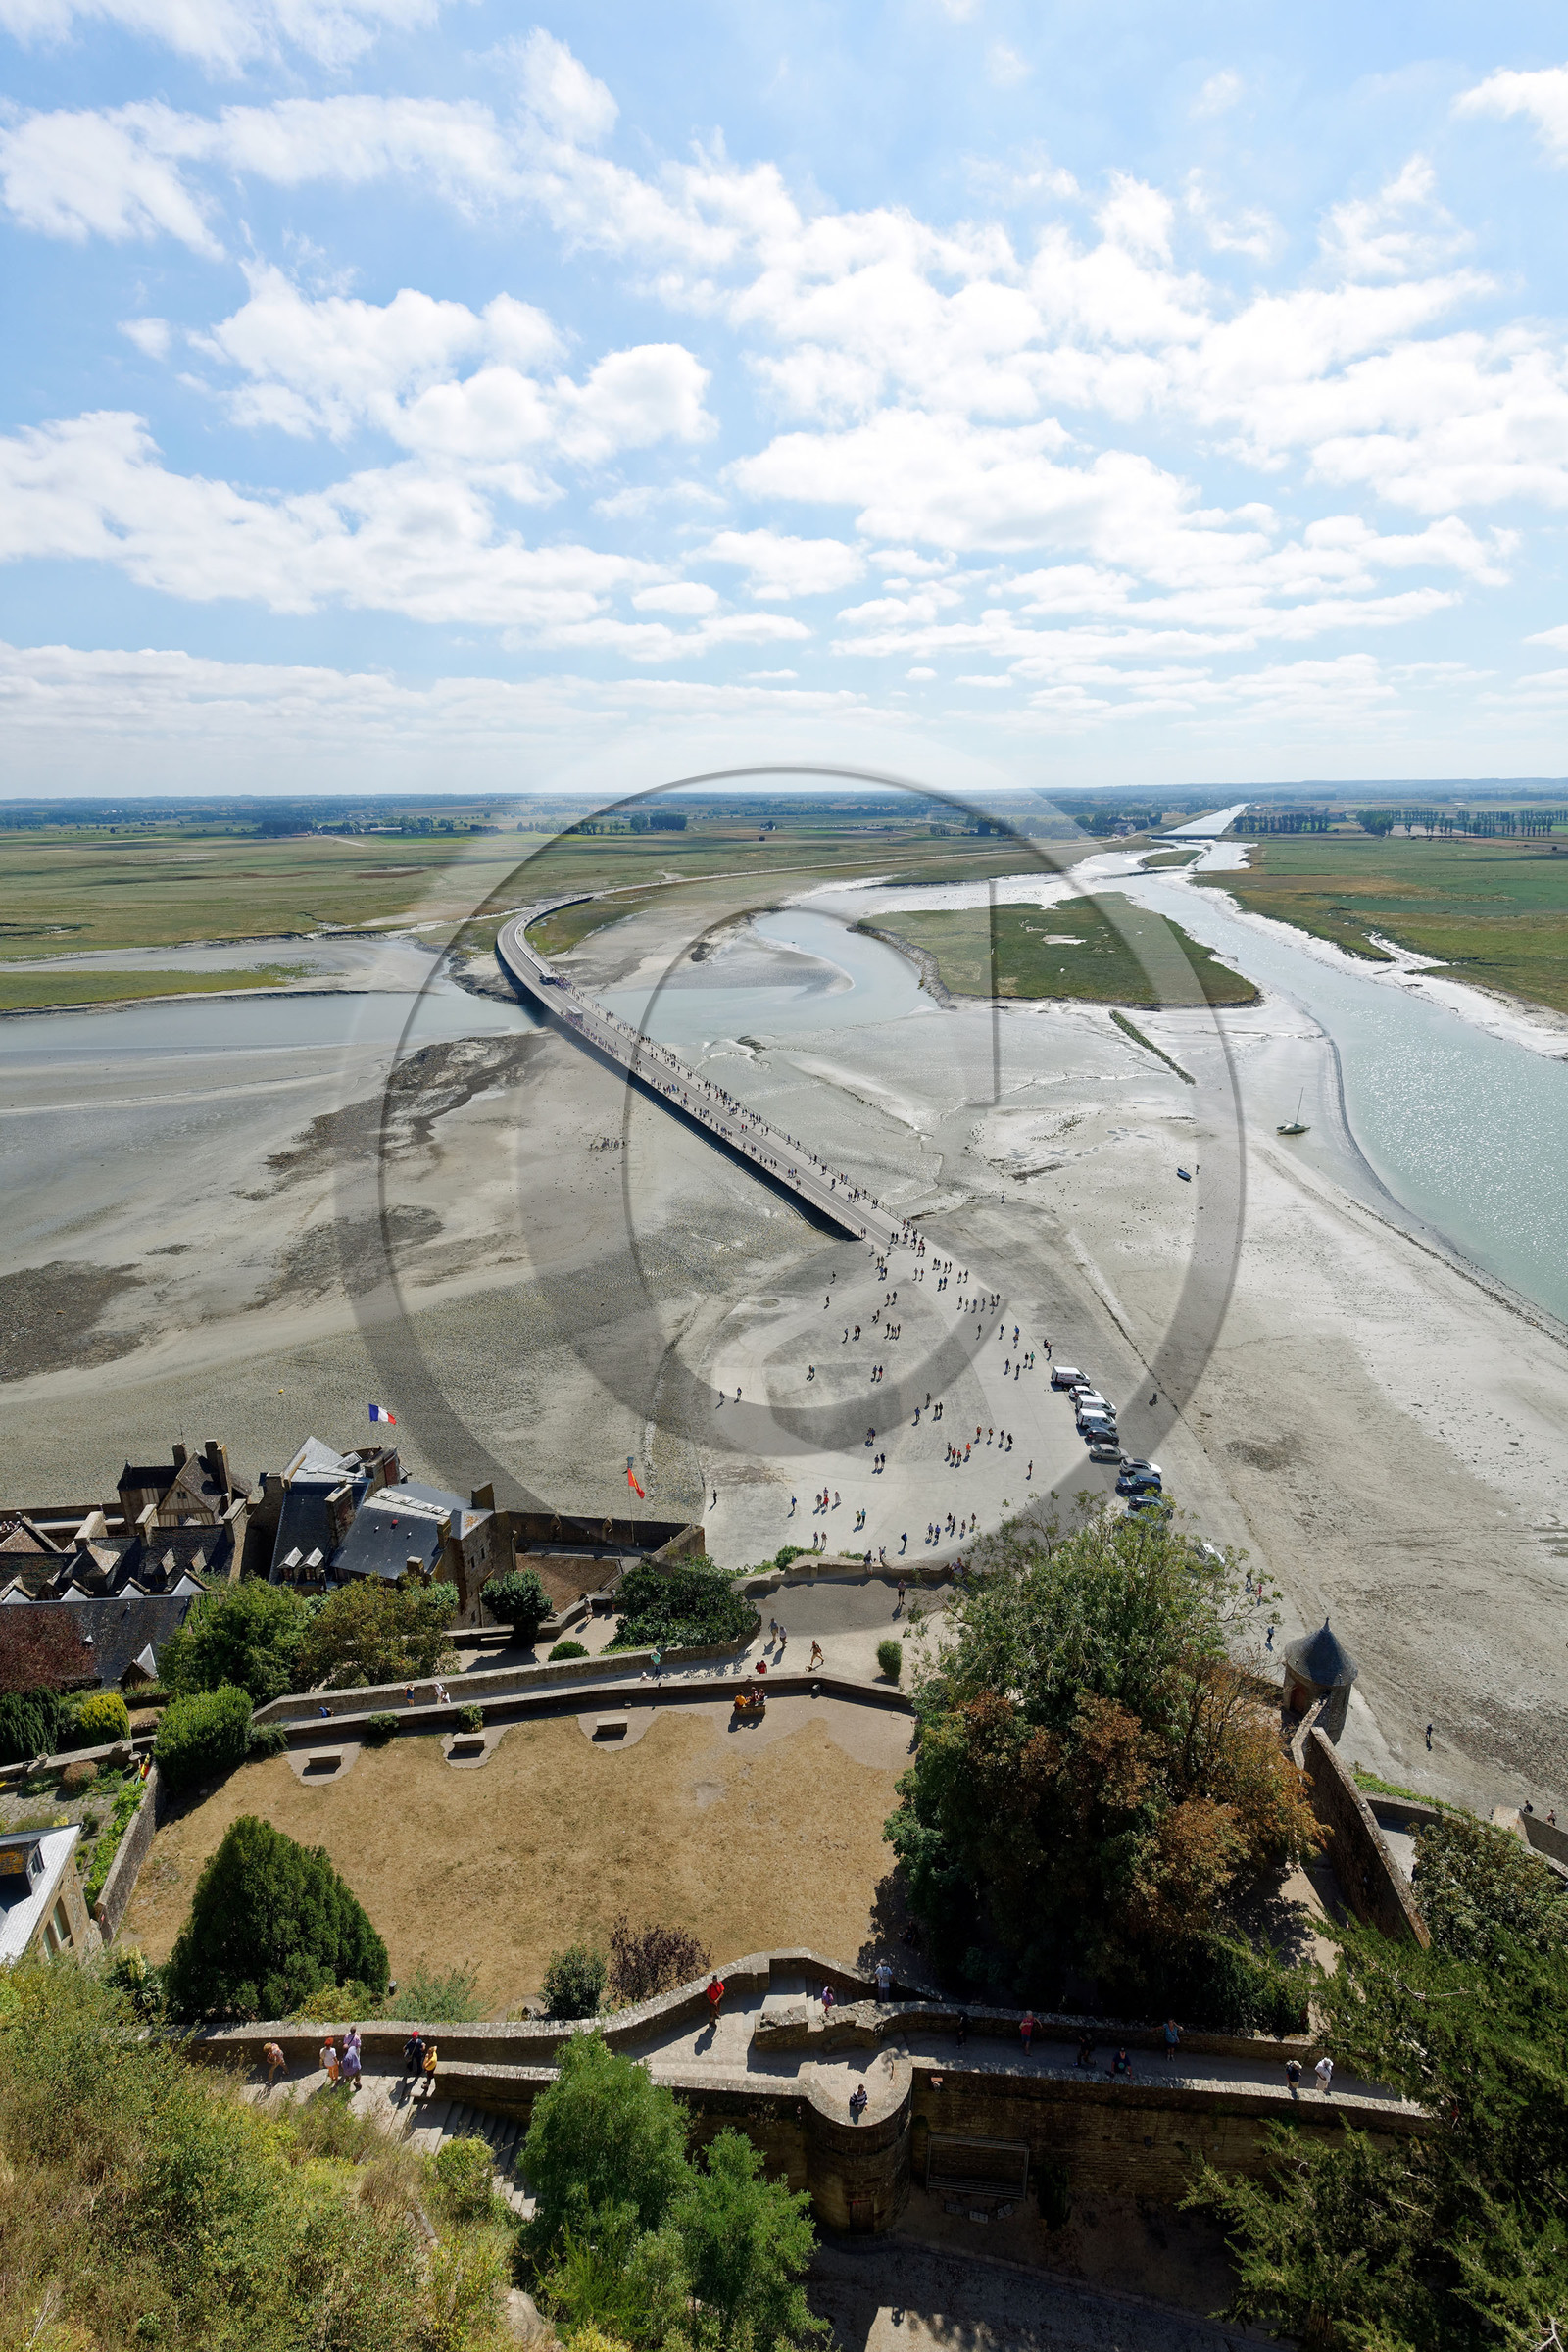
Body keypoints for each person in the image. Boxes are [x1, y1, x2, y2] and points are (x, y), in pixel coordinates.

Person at [342, 2027, 362, 2093]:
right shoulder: (353, 2049)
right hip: (356, 2067)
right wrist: (358, 2037)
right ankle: (357, 2083)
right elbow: (358, 2045)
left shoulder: (345, 2059)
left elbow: (344, 2067)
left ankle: (347, 2088)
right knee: (357, 2076)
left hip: (349, 2072)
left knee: (347, 2079)